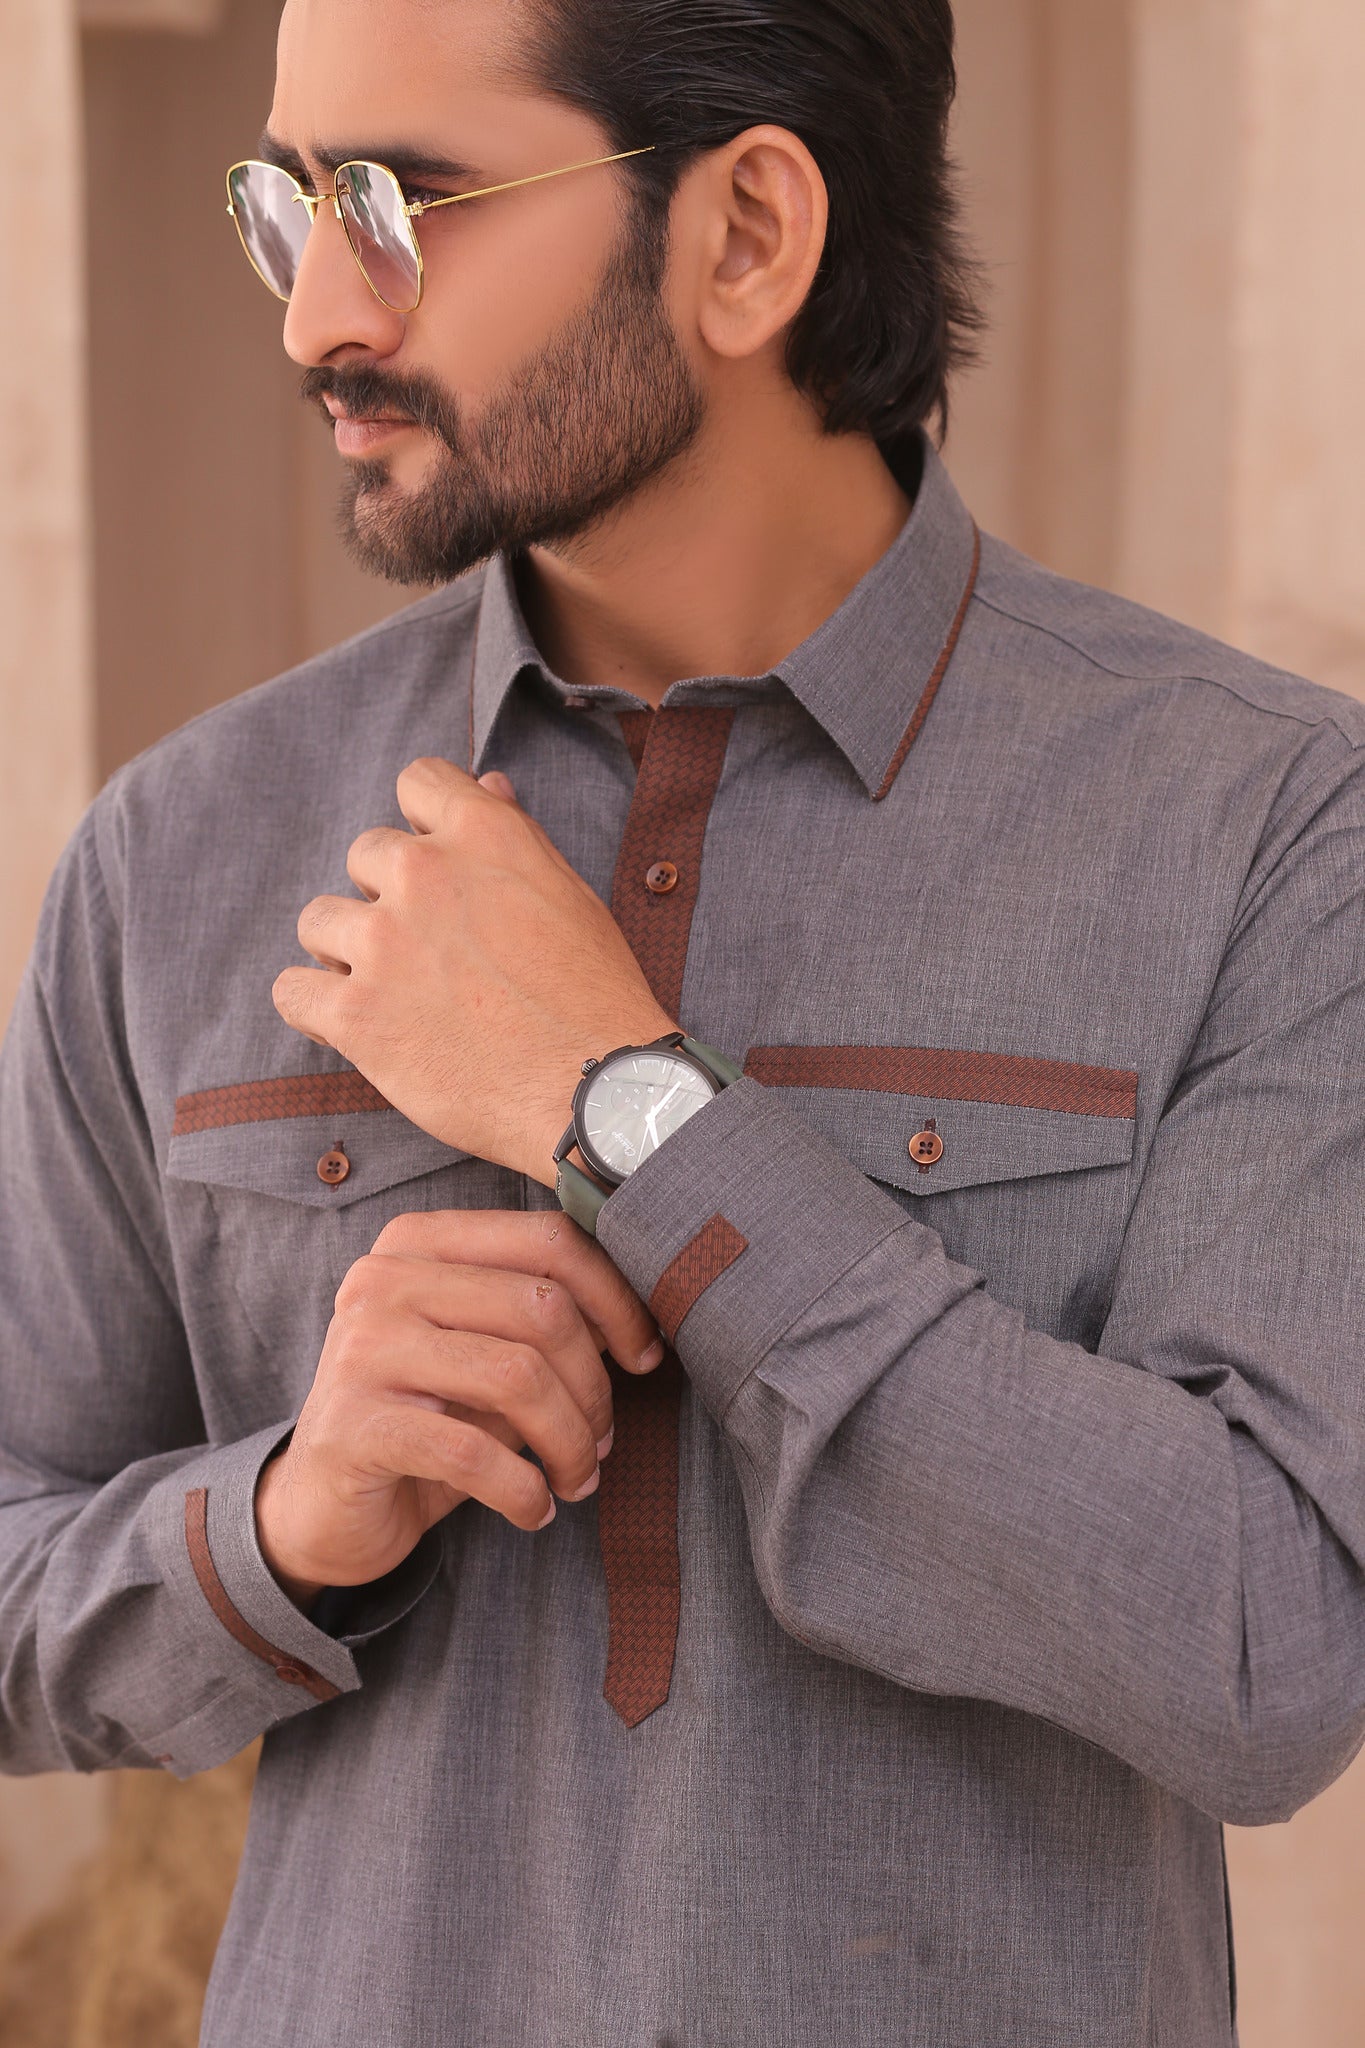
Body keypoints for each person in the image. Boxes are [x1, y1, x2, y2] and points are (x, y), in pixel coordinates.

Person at [2, 0, 1363, 2041]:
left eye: (402, 201)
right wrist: (284, 1519)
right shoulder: (179, 848)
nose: (317, 316)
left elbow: (1261, 1654)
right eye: (289, 202)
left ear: (744, 236)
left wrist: (624, 1107)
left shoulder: (1266, 827)